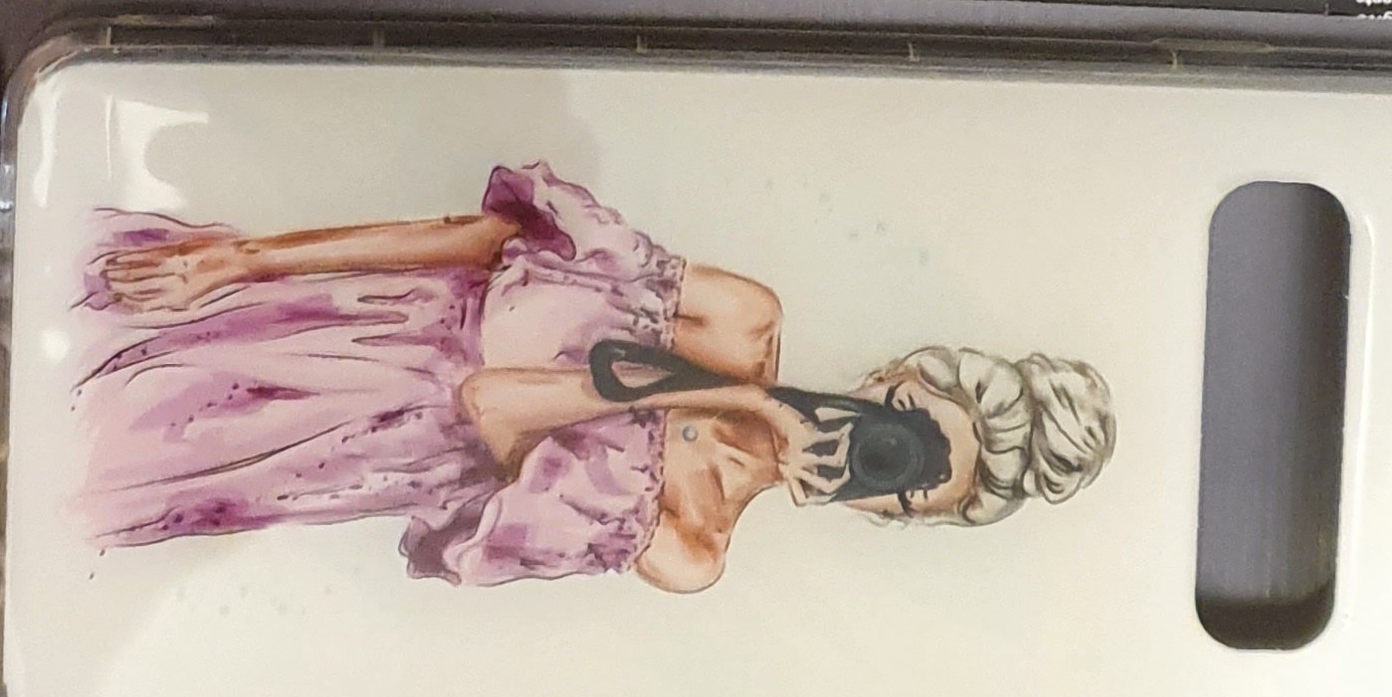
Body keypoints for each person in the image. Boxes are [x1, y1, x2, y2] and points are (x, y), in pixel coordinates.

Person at [74, 163, 1113, 592]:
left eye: (912, 479)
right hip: (325, 316)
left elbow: (490, 405)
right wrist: (247, 258)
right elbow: (478, 240)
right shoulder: (737, 318)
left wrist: (736, 405)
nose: (880, 457)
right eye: (907, 422)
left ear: (905, 515)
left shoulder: (686, 545)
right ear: (893, 375)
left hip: (320, 450)